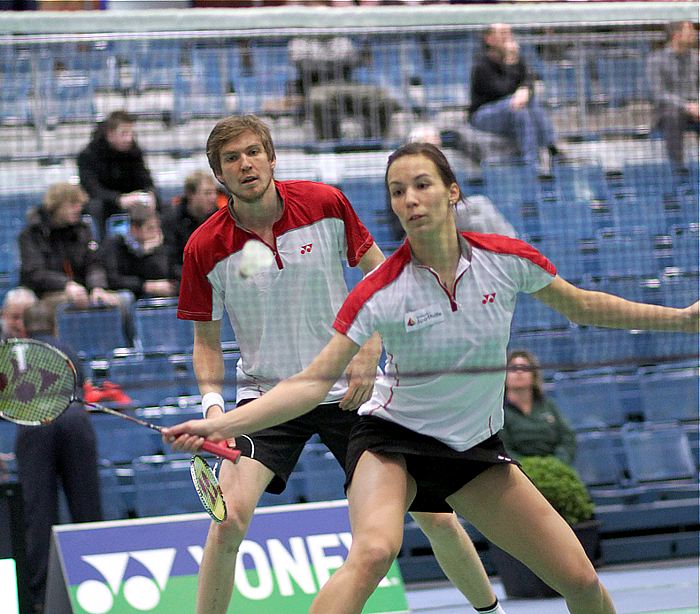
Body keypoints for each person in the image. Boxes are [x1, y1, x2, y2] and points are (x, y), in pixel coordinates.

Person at [164, 141, 698, 614]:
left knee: (581, 581)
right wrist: (219, 421)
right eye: (398, 192)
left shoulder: (506, 261)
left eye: (422, 185)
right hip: (391, 439)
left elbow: (584, 307)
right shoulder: (380, 290)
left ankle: (488, 608)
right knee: (373, 550)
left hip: (470, 446)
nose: (410, 199)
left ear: (452, 192)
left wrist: (680, 320)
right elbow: (308, 384)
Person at [170, 115, 505, 614]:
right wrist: (214, 407)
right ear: (220, 174)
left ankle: (489, 611)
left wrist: (372, 343)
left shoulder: (324, 203)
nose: (246, 164)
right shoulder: (204, 247)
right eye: (232, 159)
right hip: (267, 398)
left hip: (350, 389)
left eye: (253, 152)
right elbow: (206, 342)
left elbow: (385, 277)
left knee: (434, 514)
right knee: (228, 521)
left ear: (271, 156)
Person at [14, 299, 102, 613]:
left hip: (35, 426)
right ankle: (95, 587)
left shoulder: (14, 356)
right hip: (76, 421)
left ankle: (40, 600)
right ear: (54, 326)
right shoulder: (70, 352)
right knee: (87, 508)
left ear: (22, 328)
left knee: (39, 514)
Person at [18, 182, 121, 314]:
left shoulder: (83, 230)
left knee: (122, 300)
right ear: (56, 206)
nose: (78, 209)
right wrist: (66, 284)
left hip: (82, 290)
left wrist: (97, 287)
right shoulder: (32, 234)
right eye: (72, 204)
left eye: (79, 204)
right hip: (46, 292)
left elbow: (94, 264)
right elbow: (34, 272)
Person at [469, 23, 564, 167]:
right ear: (489, 39)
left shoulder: (516, 59)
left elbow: (529, 79)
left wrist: (525, 89)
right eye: (502, 34)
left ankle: (553, 150)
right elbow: (501, 90)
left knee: (529, 103)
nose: (508, 37)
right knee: (519, 108)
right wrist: (511, 64)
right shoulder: (481, 65)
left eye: (508, 33)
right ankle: (532, 164)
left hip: (512, 109)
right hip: (483, 116)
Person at [77, 110, 159, 238]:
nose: (129, 138)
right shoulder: (88, 155)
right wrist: (118, 199)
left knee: (159, 203)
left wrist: (150, 193)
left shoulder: (134, 152)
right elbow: (92, 189)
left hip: (131, 200)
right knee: (96, 206)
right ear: (110, 134)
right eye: (124, 134)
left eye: (131, 133)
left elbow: (145, 179)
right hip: (106, 202)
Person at [500, 350, 576, 465]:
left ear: (534, 375)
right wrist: (528, 468)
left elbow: (568, 438)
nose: (519, 372)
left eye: (524, 368)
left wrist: (557, 463)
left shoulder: (549, 405)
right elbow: (504, 449)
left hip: (554, 468)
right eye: (513, 368)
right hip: (518, 473)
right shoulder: (500, 412)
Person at [647, 21, 699, 169]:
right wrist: (686, 106)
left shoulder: (697, 59)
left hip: (696, 107)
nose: (695, 34)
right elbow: (658, 93)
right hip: (668, 110)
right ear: (677, 35)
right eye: (690, 31)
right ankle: (678, 168)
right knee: (673, 115)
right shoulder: (656, 60)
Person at [101, 204, 178, 300]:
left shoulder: (165, 243)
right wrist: (145, 286)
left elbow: (172, 273)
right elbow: (114, 280)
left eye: (157, 227)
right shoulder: (114, 244)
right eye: (151, 228)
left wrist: (154, 252)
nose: (157, 232)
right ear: (135, 230)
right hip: (133, 297)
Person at [161, 170, 219, 281]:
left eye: (214, 192)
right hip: (185, 280)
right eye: (207, 193)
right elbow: (171, 262)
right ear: (191, 195)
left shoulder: (219, 218)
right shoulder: (172, 219)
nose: (213, 198)